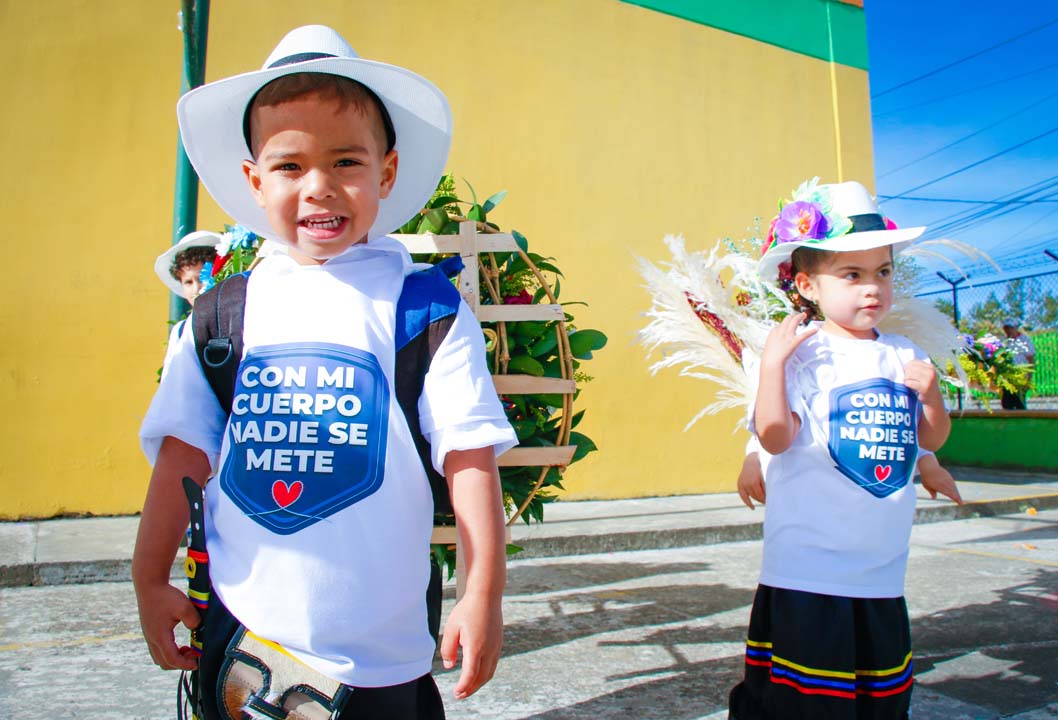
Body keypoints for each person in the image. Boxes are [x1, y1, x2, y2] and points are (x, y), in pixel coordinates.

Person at [133, 25, 516, 720]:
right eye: (289, 167)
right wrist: (147, 577)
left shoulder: (424, 310)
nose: (320, 189)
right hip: (245, 643)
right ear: (253, 181)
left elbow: (469, 459)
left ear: (386, 173)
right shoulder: (223, 315)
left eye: (346, 161)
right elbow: (181, 455)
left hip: (384, 656)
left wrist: (481, 591)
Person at [728, 180, 952, 720]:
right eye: (852, 275)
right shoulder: (804, 355)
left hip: (880, 565)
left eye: (883, 272)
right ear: (807, 285)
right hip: (809, 565)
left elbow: (930, 437)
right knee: (806, 704)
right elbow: (776, 436)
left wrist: (933, 397)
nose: (871, 288)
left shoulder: (905, 353)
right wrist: (773, 367)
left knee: (878, 700)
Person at [154, 231, 221, 379]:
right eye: (188, 282)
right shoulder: (180, 331)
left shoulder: (237, 319)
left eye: (202, 278)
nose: (196, 289)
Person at [1000, 317, 1036, 410]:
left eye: (1010, 328)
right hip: (1007, 379)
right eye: (1006, 328)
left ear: (1016, 328)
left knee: (1020, 404)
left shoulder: (1024, 340)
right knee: (1007, 404)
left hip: (1020, 378)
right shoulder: (1002, 342)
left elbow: (1031, 360)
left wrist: (1028, 379)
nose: (1008, 330)